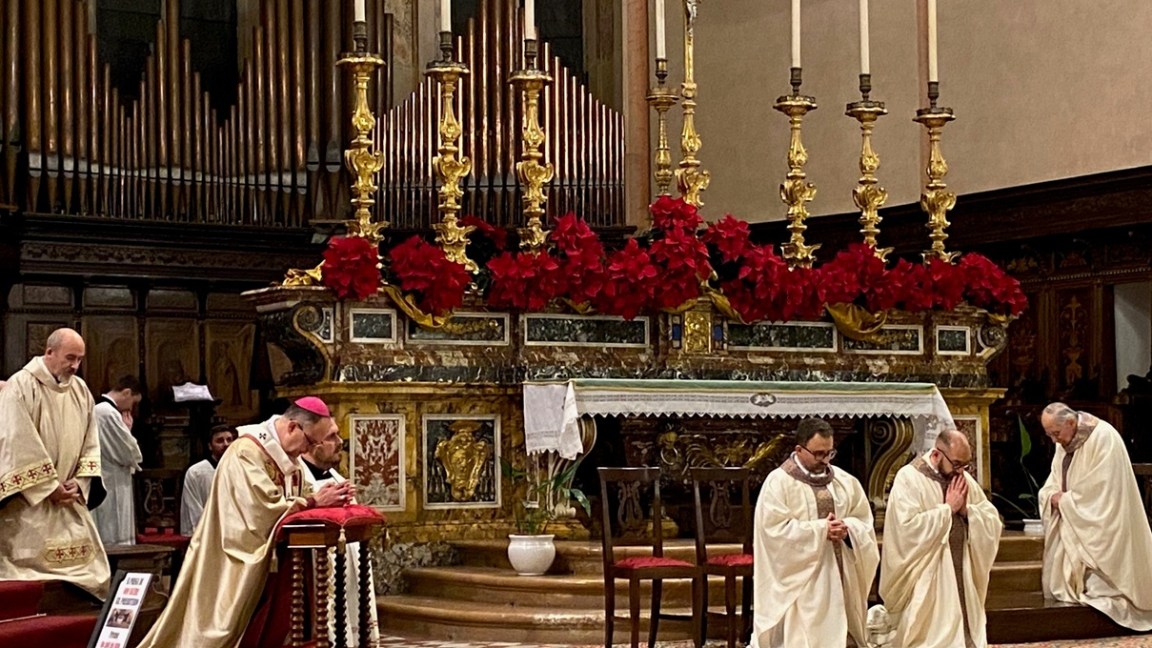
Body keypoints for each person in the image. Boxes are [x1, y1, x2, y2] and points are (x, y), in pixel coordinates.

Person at [136, 397, 353, 648]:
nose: (307, 450)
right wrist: (313, 502)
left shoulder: (289, 458)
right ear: (293, 427)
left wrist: (326, 499)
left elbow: (300, 495)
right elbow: (260, 511)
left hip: (274, 560)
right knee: (219, 630)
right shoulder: (246, 452)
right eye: (310, 442)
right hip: (233, 559)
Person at [0, 327, 111, 599]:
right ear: (49, 352)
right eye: (70, 358)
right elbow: (16, 440)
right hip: (31, 502)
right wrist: (49, 486)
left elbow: (91, 441)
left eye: (80, 359)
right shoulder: (20, 385)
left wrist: (81, 482)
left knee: (94, 570)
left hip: (68, 500)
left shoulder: (80, 390)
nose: (75, 366)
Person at [751, 417, 879, 648]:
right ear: (799, 449)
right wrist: (821, 530)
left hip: (839, 570)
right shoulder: (778, 483)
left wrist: (847, 529)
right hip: (800, 578)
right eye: (818, 454)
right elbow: (773, 532)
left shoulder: (845, 481)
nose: (825, 460)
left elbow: (864, 521)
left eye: (829, 453)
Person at [880, 428, 1003, 648]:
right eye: (956, 464)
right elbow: (906, 528)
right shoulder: (909, 478)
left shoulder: (962, 478)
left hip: (961, 563)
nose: (961, 471)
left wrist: (967, 511)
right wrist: (947, 509)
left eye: (966, 465)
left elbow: (991, 518)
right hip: (929, 571)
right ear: (937, 454)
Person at [1039, 402, 1152, 630]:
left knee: (1100, 589)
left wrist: (1066, 501)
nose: (1054, 440)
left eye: (1056, 433)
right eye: (1049, 434)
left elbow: (1104, 494)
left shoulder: (1104, 438)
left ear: (1071, 422)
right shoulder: (1065, 442)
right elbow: (1054, 480)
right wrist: (1050, 495)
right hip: (1075, 522)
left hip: (1104, 526)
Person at [298, 424, 377, 646]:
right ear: (314, 443)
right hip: (314, 567)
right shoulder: (298, 478)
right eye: (332, 436)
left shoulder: (335, 476)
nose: (340, 442)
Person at [92, 376, 144, 545]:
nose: (131, 408)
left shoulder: (104, 411)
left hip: (110, 474)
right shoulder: (106, 412)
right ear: (127, 393)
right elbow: (127, 452)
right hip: (111, 478)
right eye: (133, 402)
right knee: (113, 527)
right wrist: (128, 431)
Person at [180, 424, 237, 535]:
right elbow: (193, 507)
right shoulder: (196, 472)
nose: (226, 444)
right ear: (210, 446)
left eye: (229, 440)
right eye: (220, 441)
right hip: (206, 531)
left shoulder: (241, 469)